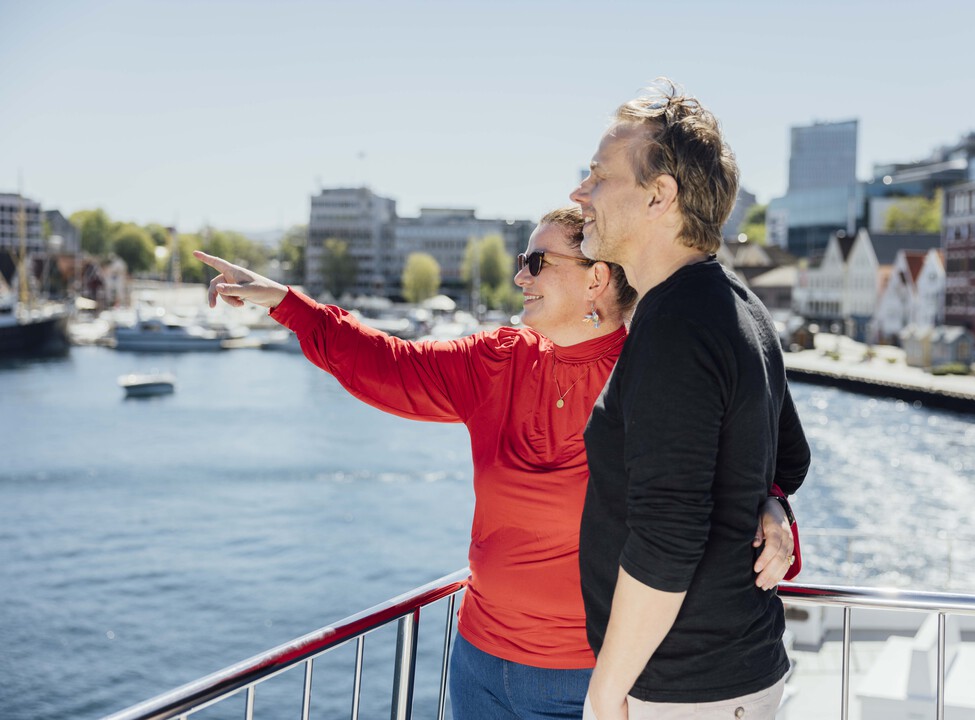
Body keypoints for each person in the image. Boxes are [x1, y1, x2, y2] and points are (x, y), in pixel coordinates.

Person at [194, 206, 797, 720]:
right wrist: (288, 304)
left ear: (597, 279)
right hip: (480, 664)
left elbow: (723, 468)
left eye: (537, 262)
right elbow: (389, 364)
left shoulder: (652, 366)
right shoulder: (495, 361)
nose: (518, 275)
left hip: (594, 678)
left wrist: (772, 500)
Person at [570, 81, 812, 720]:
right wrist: (766, 502)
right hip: (729, 675)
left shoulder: (676, 325)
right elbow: (788, 460)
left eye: (597, 176)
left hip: (686, 691)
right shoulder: (737, 306)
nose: (580, 193)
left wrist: (605, 691)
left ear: (660, 195)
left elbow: (668, 537)